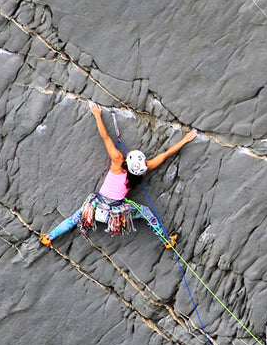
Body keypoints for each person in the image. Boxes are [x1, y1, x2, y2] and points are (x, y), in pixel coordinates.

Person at [41, 102, 197, 246]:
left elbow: (106, 138)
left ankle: (48, 237)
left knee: (73, 219)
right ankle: (166, 241)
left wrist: (97, 115)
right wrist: (185, 139)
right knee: (146, 212)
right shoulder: (144, 169)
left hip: (95, 207)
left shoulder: (117, 161)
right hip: (114, 214)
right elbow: (166, 154)